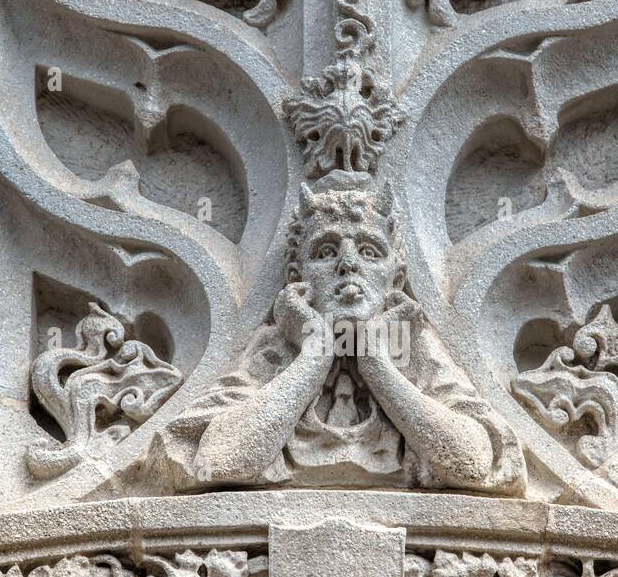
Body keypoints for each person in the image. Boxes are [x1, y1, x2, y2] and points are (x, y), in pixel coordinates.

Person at [153, 171, 526, 495]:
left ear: (396, 279)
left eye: (368, 250)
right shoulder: (274, 350)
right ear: (297, 280)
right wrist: (314, 354)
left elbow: (472, 463)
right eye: (325, 251)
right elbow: (218, 462)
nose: (348, 264)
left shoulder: (415, 349)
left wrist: (375, 364)